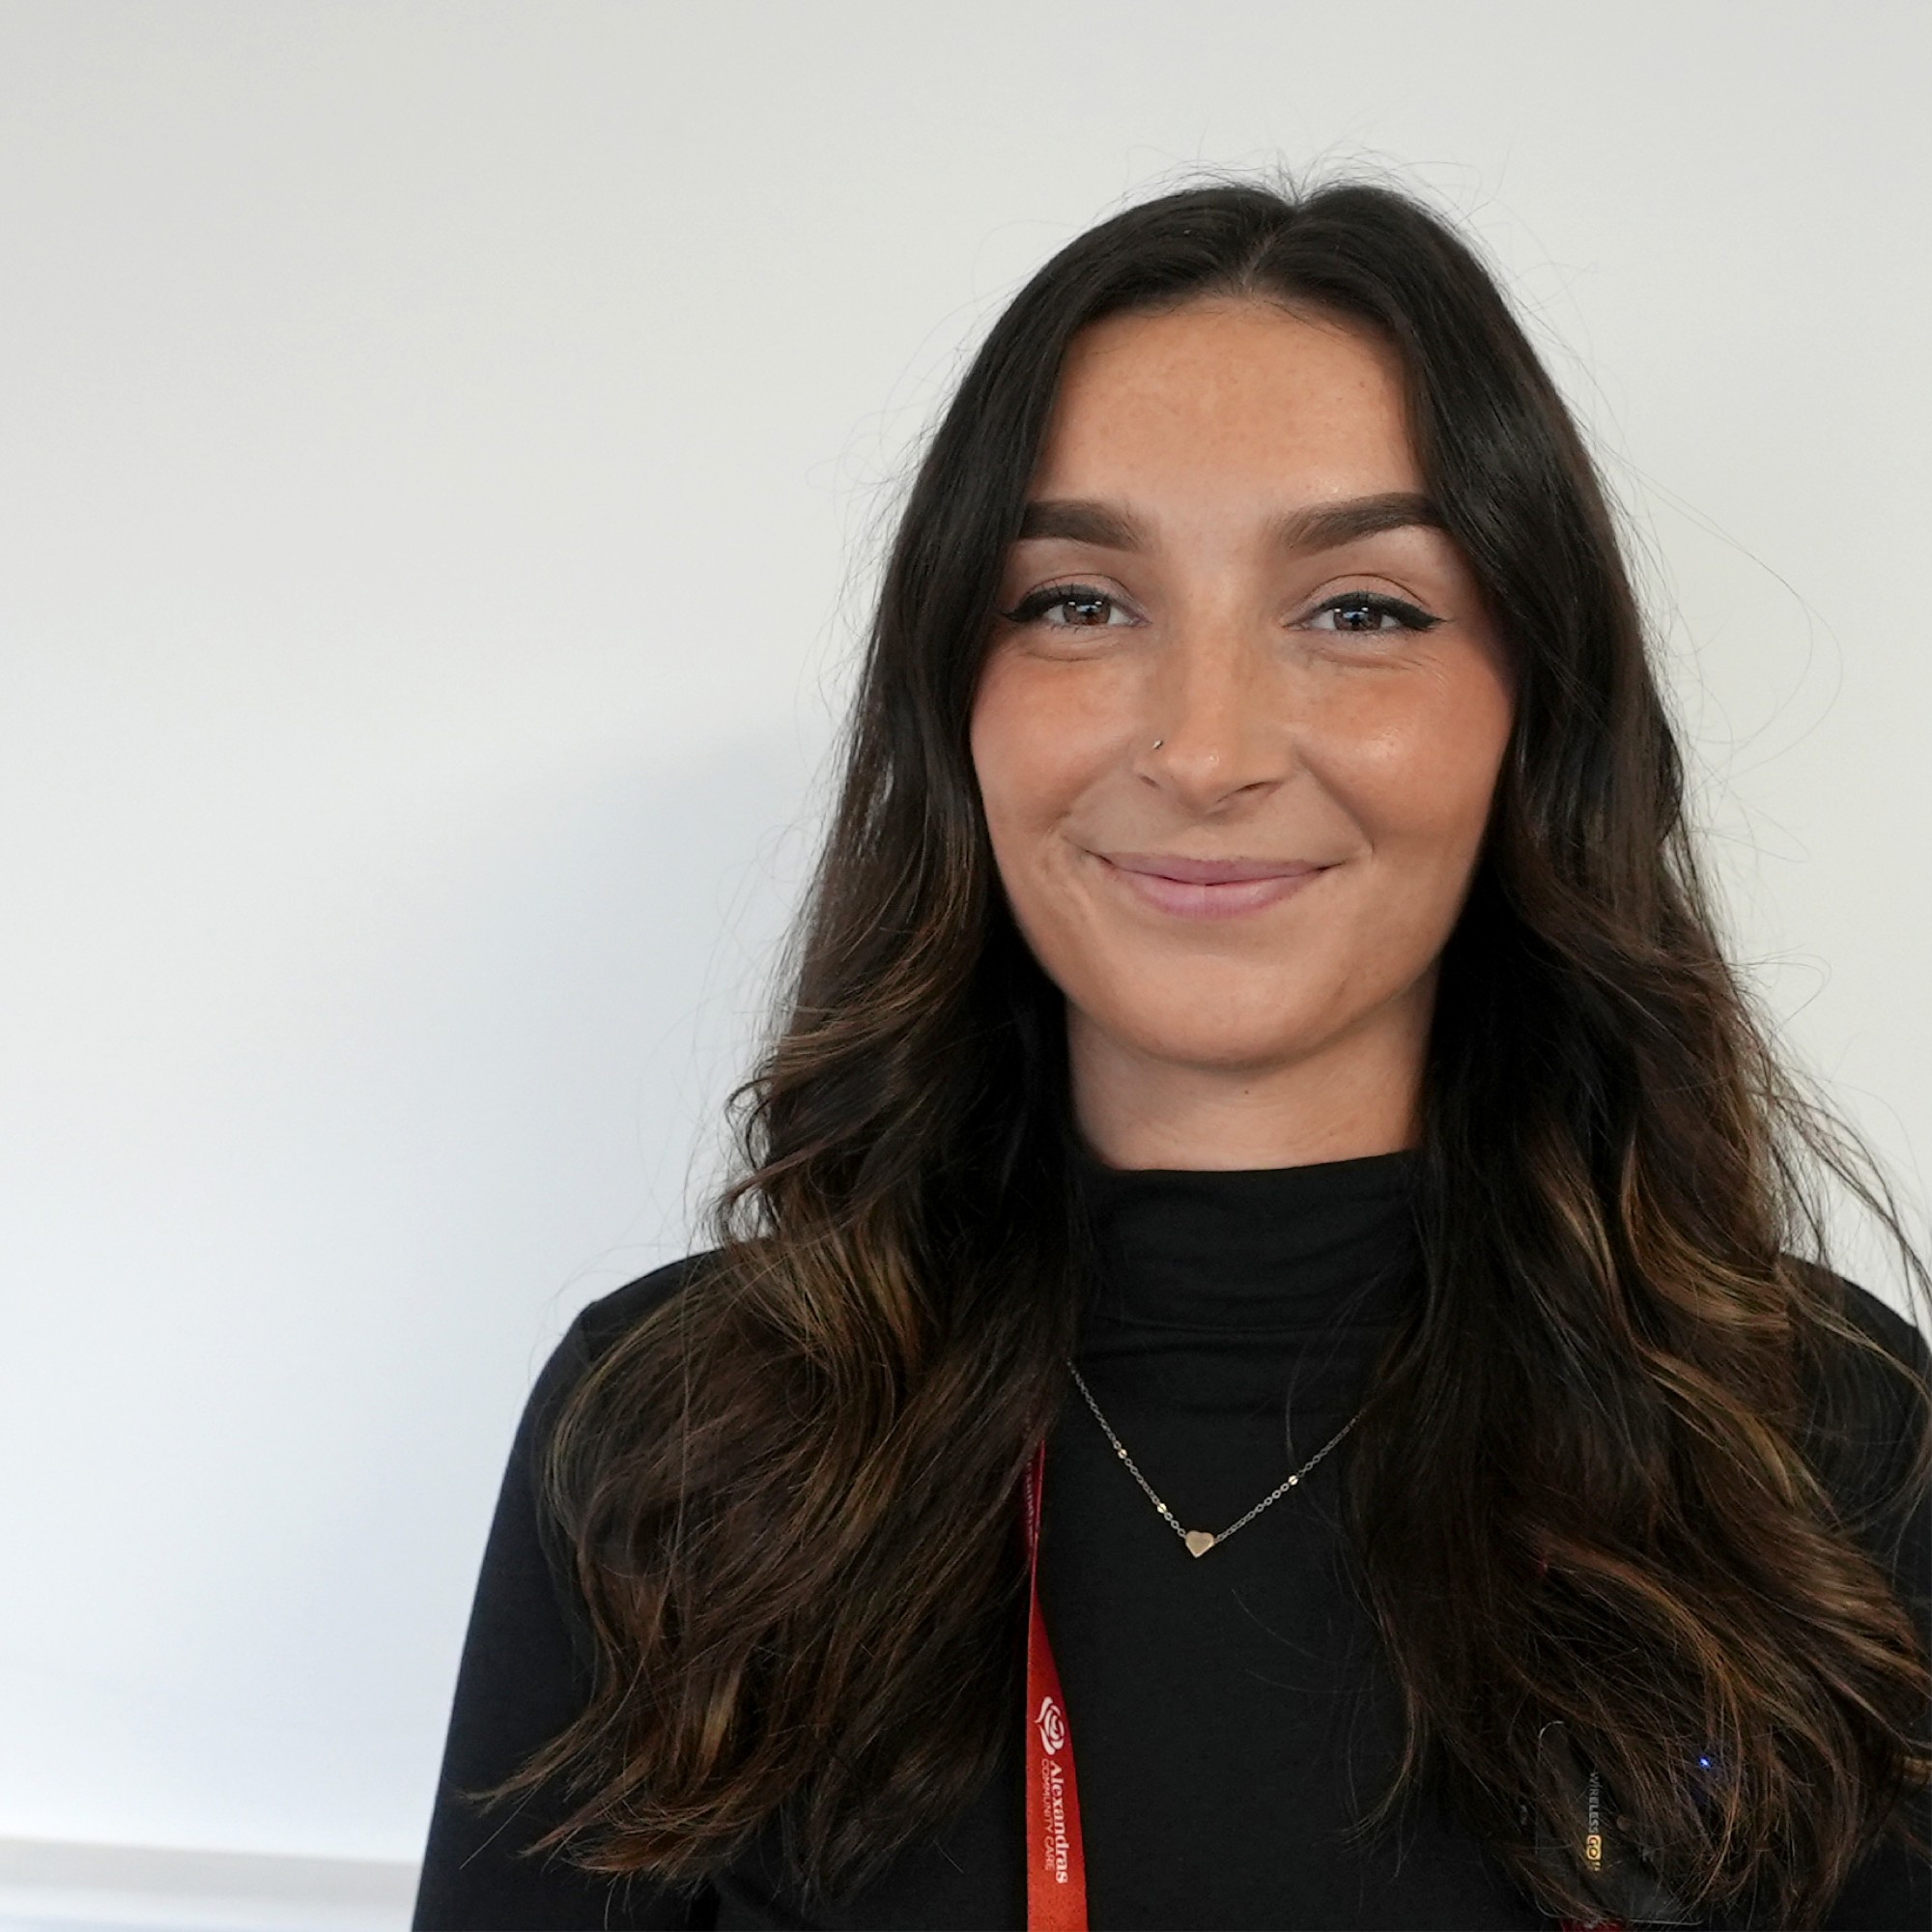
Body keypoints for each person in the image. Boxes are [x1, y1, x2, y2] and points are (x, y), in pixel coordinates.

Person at [412, 179, 1932, 1931]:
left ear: (1537, 716)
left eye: (1361, 609)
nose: (1205, 750)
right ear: (953, 702)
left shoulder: (1813, 1445)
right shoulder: (684, 1433)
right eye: (1078, 601)